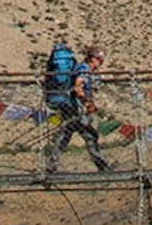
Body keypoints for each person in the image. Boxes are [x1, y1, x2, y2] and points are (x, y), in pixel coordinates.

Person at [43, 40, 111, 174]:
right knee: (89, 135)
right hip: (75, 109)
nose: (101, 63)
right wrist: (88, 104)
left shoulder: (83, 68)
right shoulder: (84, 69)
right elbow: (78, 87)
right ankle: (102, 166)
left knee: (65, 136)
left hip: (72, 108)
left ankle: (52, 166)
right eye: (100, 60)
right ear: (93, 58)